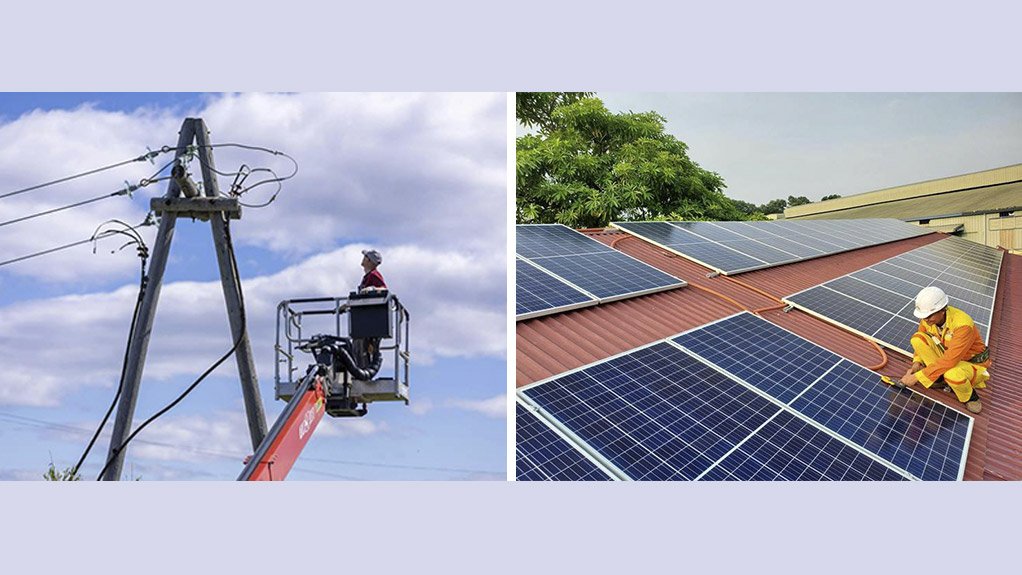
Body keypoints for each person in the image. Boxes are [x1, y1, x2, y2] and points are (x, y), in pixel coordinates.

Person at [899, 286, 989, 414]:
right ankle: (939, 379)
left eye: (929, 316)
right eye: (924, 316)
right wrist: (916, 363)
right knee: (917, 339)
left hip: (970, 363)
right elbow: (922, 343)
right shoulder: (927, 321)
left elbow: (951, 359)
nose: (925, 319)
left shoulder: (963, 325)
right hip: (948, 356)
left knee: (952, 374)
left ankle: (970, 397)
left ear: (942, 310)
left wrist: (917, 377)